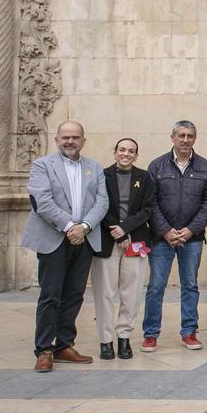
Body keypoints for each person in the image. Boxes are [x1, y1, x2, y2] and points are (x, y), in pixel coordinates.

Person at [23, 121, 109, 372]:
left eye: (76, 137)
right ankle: (44, 349)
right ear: (57, 140)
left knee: (74, 293)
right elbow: (42, 201)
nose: (70, 141)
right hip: (54, 238)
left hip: (84, 238)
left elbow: (102, 203)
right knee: (50, 295)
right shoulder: (42, 165)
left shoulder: (94, 167)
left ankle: (63, 344)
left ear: (83, 140)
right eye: (65, 137)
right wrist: (71, 226)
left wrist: (84, 228)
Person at [144, 120, 207, 352]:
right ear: (172, 137)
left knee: (190, 285)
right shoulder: (157, 166)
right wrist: (165, 230)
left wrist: (191, 230)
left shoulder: (205, 167)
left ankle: (189, 332)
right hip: (161, 239)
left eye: (190, 136)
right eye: (181, 135)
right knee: (156, 286)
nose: (186, 140)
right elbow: (150, 202)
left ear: (195, 138)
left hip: (192, 239)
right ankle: (150, 334)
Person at [93, 138, 156, 361]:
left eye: (131, 151)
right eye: (122, 150)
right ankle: (106, 341)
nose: (126, 154)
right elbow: (99, 206)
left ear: (136, 156)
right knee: (105, 294)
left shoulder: (144, 177)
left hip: (136, 240)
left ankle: (124, 338)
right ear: (115, 152)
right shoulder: (102, 175)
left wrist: (126, 230)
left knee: (132, 293)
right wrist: (116, 231)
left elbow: (148, 209)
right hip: (107, 241)